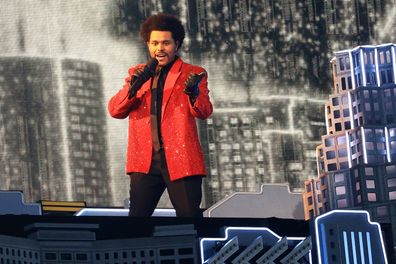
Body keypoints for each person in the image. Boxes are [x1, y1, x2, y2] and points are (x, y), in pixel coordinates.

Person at [108, 13, 213, 217]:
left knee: (189, 221)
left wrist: (194, 93)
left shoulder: (193, 73)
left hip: (181, 159)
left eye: (165, 43)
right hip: (145, 161)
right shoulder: (138, 73)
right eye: (154, 43)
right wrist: (134, 88)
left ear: (177, 44)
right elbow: (115, 110)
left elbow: (204, 111)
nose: (159, 48)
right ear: (148, 44)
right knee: (136, 224)